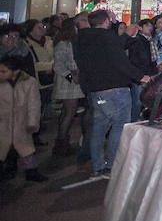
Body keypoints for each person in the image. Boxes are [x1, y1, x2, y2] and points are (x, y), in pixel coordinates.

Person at [74, 10, 148, 177]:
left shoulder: (82, 38)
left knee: (99, 128)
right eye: (112, 19)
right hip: (114, 90)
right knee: (119, 126)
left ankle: (98, 166)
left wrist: (125, 37)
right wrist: (141, 77)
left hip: (96, 92)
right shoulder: (106, 37)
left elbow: (110, 50)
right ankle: (112, 164)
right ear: (106, 22)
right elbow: (118, 59)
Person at [0, 56, 47, 182]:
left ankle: (31, 171)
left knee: (26, 149)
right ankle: (8, 170)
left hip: (20, 122)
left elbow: (34, 104)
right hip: (3, 122)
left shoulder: (29, 82)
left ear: (15, 71)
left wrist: (32, 122)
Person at [52, 18, 84, 156]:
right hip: (67, 83)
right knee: (69, 113)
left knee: (68, 112)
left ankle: (62, 141)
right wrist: (72, 76)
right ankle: (61, 143)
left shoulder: (70, 43)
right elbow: (58, 65)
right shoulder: (62, 44)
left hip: (71, 82)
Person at [126, 19, 158, 122]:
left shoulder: (150, 40)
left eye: (151, 26)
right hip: (140, 75)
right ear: (140, 27)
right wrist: (141, 75)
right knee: (138, 101)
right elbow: (136, 60)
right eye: (147, 25)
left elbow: (152, 59)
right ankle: (133, 122)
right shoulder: (138, 40)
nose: (150, 28)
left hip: (148, 74)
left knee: (145, 100)